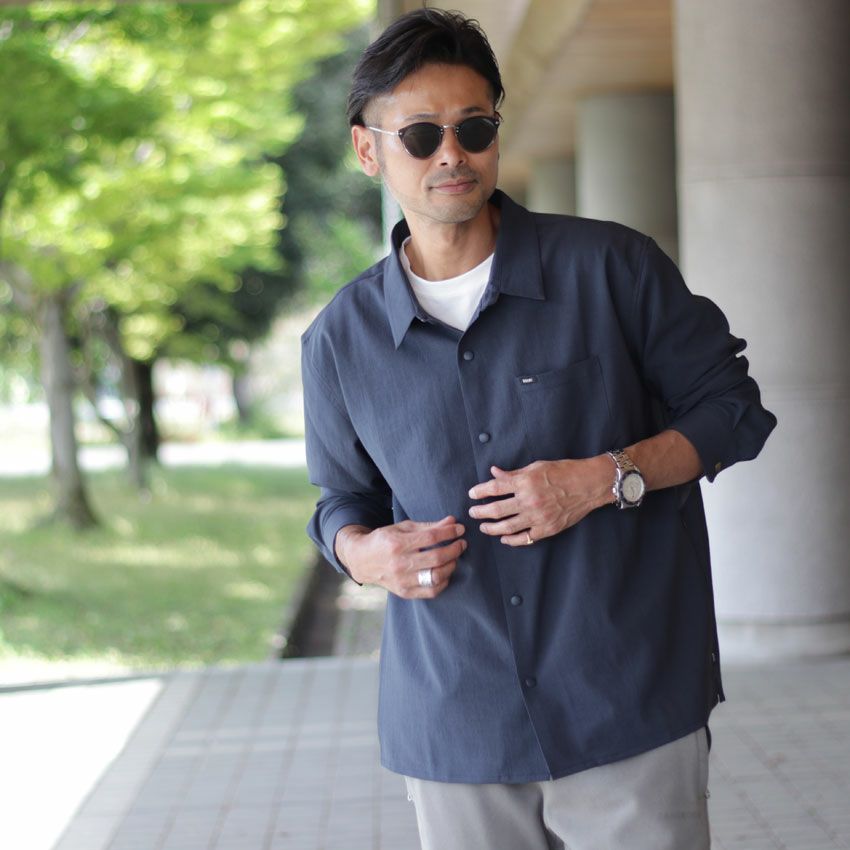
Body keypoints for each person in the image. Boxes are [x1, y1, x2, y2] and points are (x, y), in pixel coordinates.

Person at [300, 8, 776, 850]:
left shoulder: (613, 268)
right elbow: (342, 499)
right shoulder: (340, 339)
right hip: (456, 718)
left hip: (625, 699)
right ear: (368, 151)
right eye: (421, 135)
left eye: (474, 128)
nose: (452, 154)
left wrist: (606, 477)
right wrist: (364, 555)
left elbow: (732, 409)